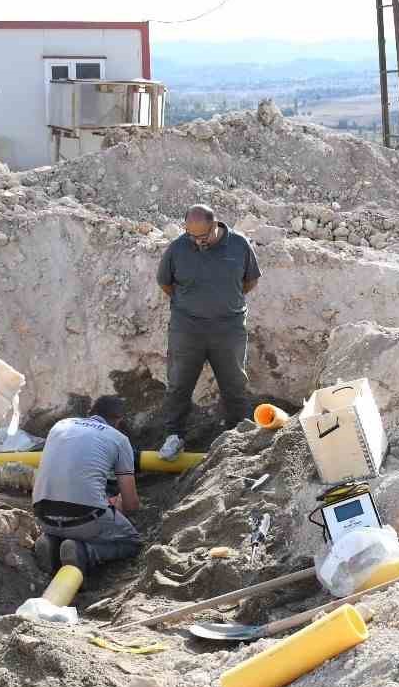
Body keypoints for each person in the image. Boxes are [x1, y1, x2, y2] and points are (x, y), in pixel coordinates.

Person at [155, 204, 261, 460]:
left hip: (228, 327)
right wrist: (191, 305)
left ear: (216, 226)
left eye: (203, 236)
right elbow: (165, 283)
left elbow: (250, 280)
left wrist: (224, 303)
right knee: (179, 383)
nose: (197, 241)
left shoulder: (239, 245)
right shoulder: (179, 248)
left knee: (235, 383)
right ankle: (174, 436)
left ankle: (239, 436)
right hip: (187, 328)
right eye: (192, 236)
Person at [31, 395, 142, 574]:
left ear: (90, 413)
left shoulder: (60, 426)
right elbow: (131, 505)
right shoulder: (119, 439)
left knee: (73, 516)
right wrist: (118, 505)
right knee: (131, 541)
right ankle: (84, 552)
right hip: (85, 519)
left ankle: (51, 543)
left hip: (42, 515)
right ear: (119, 420)